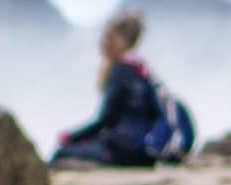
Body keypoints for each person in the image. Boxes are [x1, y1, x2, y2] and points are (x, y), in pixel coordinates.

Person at [53, 11, 163, 168]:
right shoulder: (141, 71)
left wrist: (71, 136)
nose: (103, 42)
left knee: (61, 153)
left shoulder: (119, 71)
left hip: (121, 151)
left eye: (107, 37)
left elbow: (106, 120)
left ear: (121, 41)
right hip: (144, 152)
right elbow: (154, 113)